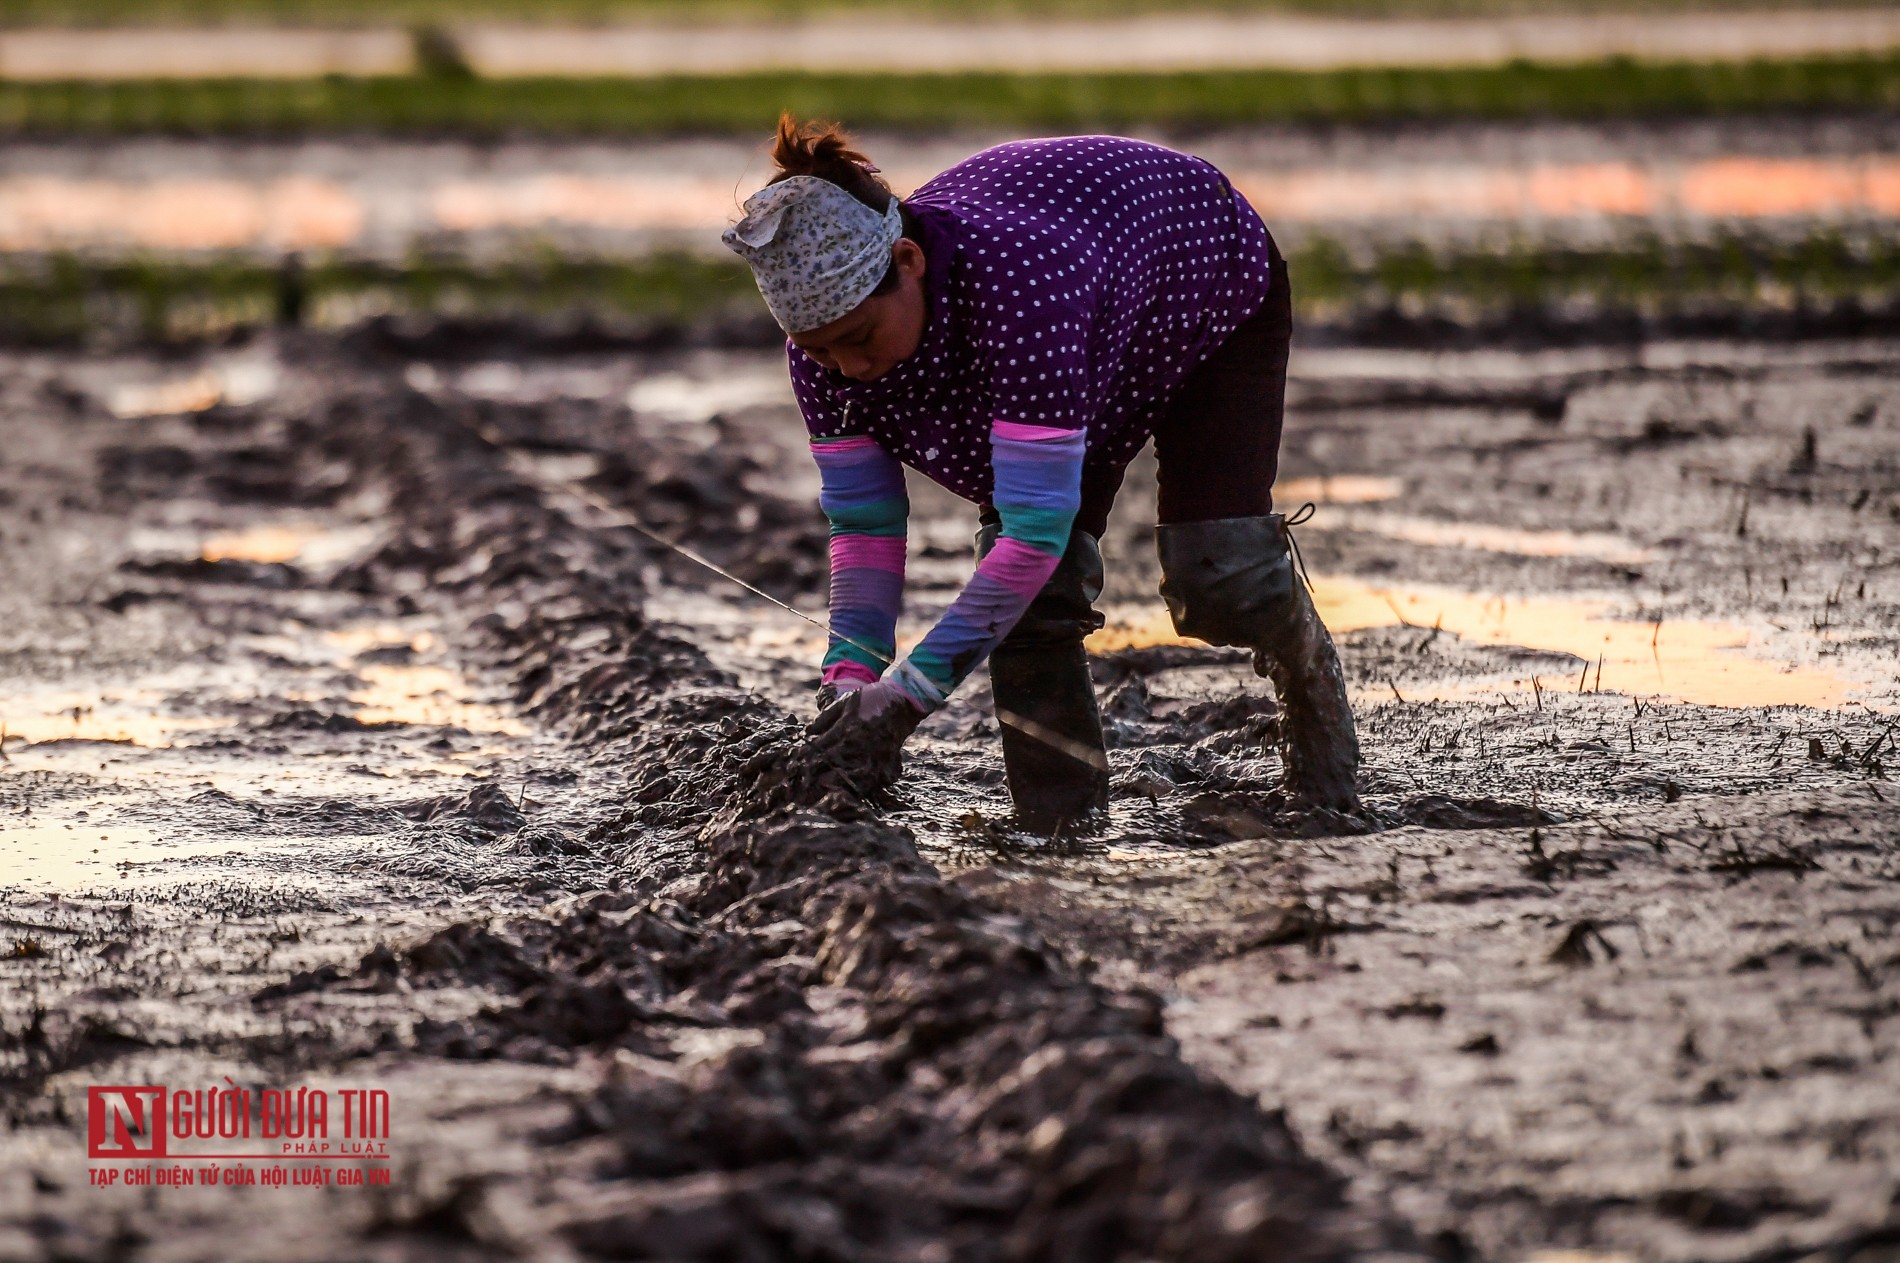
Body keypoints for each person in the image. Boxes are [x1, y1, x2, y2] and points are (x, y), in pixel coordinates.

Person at [722, 115, 1360, 830]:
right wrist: (849, 682)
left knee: (1221, 577)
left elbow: (1031, 535)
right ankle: (1062, 829)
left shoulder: (1019, 292)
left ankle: (1308, 671)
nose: (850, 370)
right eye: (819, 353)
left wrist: (905, 700)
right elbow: (866, 527)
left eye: (861, 339)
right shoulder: (827, 357)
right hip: (1090, 319)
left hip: (1197, 276)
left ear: (908, 262)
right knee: (1031, 605)